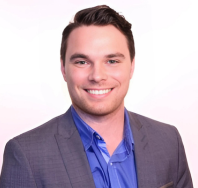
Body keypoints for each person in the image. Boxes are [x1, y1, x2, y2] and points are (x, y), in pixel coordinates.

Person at [0, 5, 193, 188]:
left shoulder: (169, 142)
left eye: (112, 60)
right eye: (82, 61)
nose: (97, 76)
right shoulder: (26, 155)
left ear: (132, 66)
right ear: (63, 69)